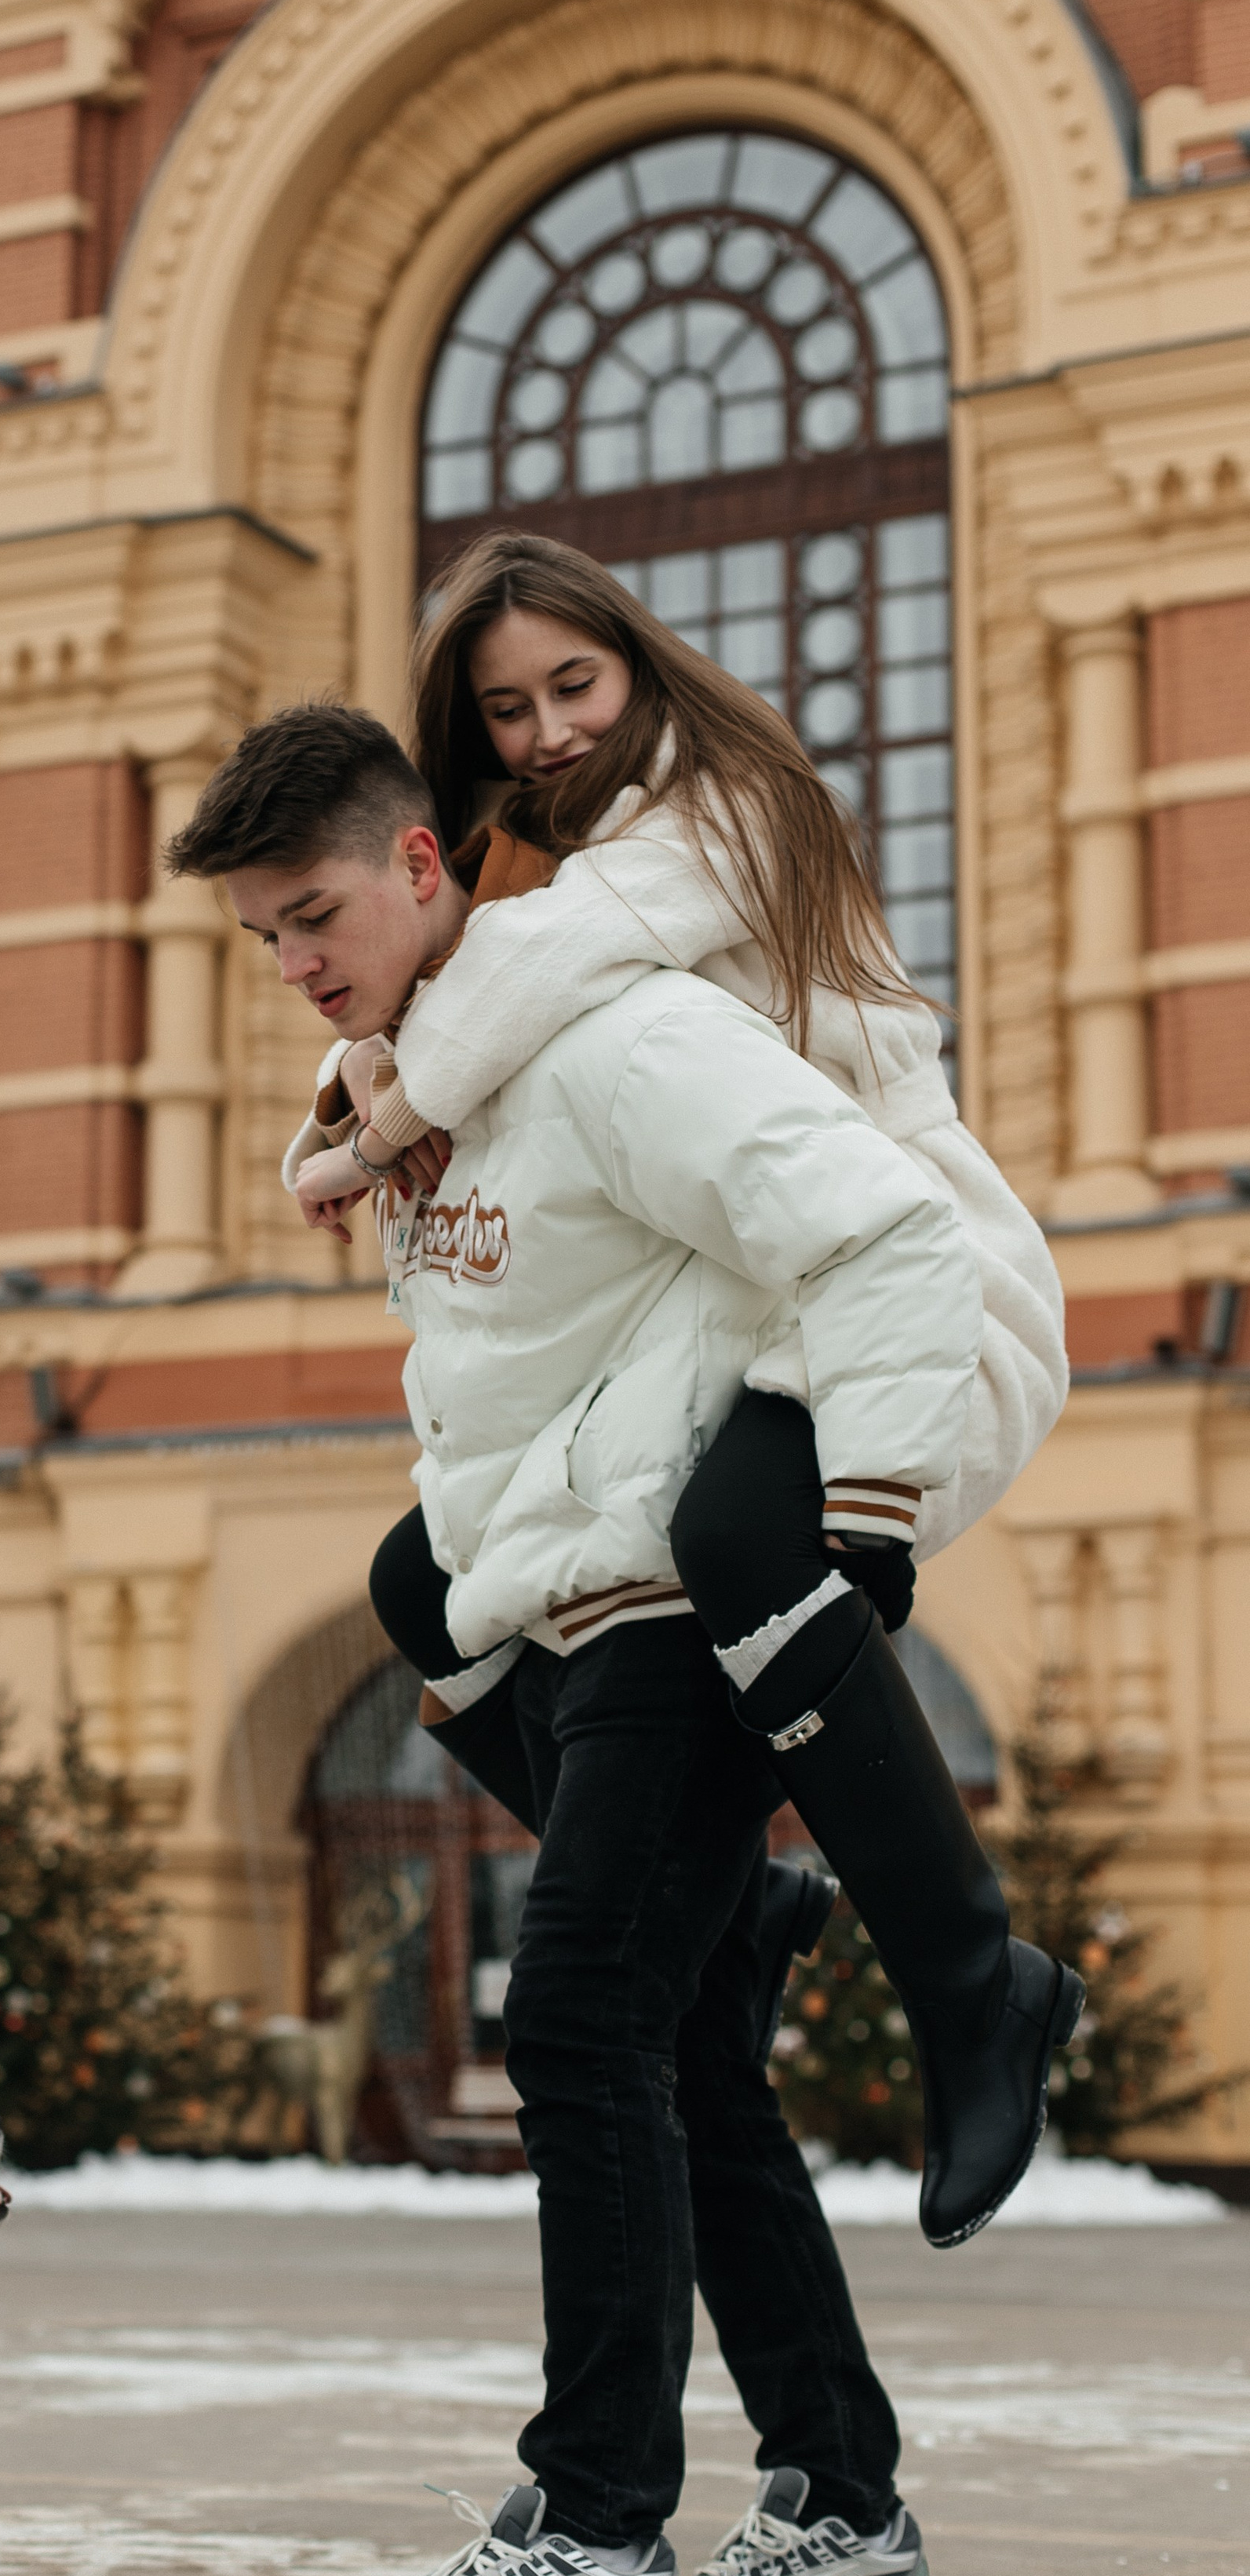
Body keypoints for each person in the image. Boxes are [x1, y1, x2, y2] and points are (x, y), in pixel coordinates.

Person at [167, 702, 1077, 2576]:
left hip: (674, 1603)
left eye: (314, 913)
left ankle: (591, 2533)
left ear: (422, 862)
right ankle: (839, 2504)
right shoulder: (432, 1094)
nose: (295, 962)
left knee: (577, 2015)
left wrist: (856, 1527)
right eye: (261, 938)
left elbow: (884, 1233)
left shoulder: (616, 1043)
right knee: (677, 2045)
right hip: (576, 1600)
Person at [284, 530, 1071, 2254]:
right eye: (506, 710)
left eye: (573, 683)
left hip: (902, 1266)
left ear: (639, 662)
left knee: (739, 1539)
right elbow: (444, 994)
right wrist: (365, 1105)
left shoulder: (725, 815)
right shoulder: (532, 871)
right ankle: (741, 1907)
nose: (548, 730)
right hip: (743, 1304)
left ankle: (972, 1983)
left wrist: (374, 1115)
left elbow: (516, 983)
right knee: (423, 1583)